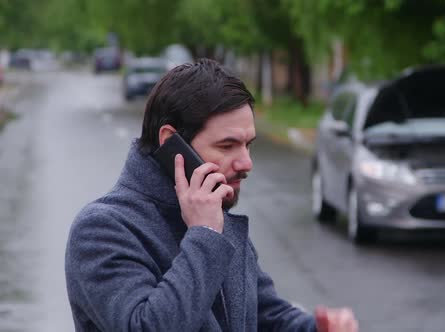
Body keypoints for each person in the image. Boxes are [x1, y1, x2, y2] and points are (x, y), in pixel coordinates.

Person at [65, 58, 359, 331]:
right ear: (171, 144)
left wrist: (316, 328)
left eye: (248, 145)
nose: (246, 163)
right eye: (227, 146)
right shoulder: (102, 230)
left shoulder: (217, 217)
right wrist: (204, 234)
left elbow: (265, 316)